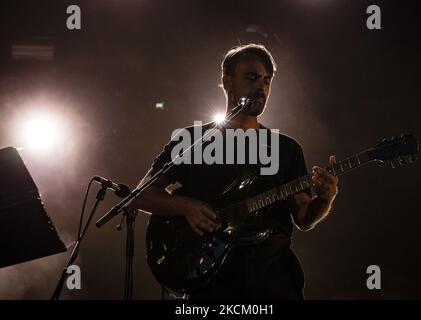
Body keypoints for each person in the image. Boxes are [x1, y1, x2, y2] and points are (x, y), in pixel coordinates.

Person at [131, 44, 339, 299]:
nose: (261, 87)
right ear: (227, 82)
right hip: (210, 284)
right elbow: (141, 195)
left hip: (274, 283)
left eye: (266, 80)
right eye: (251, 78)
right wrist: (186, 206)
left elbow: (305, 218)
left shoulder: (286, 149)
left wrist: (325, 198)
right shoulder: (195, 139)